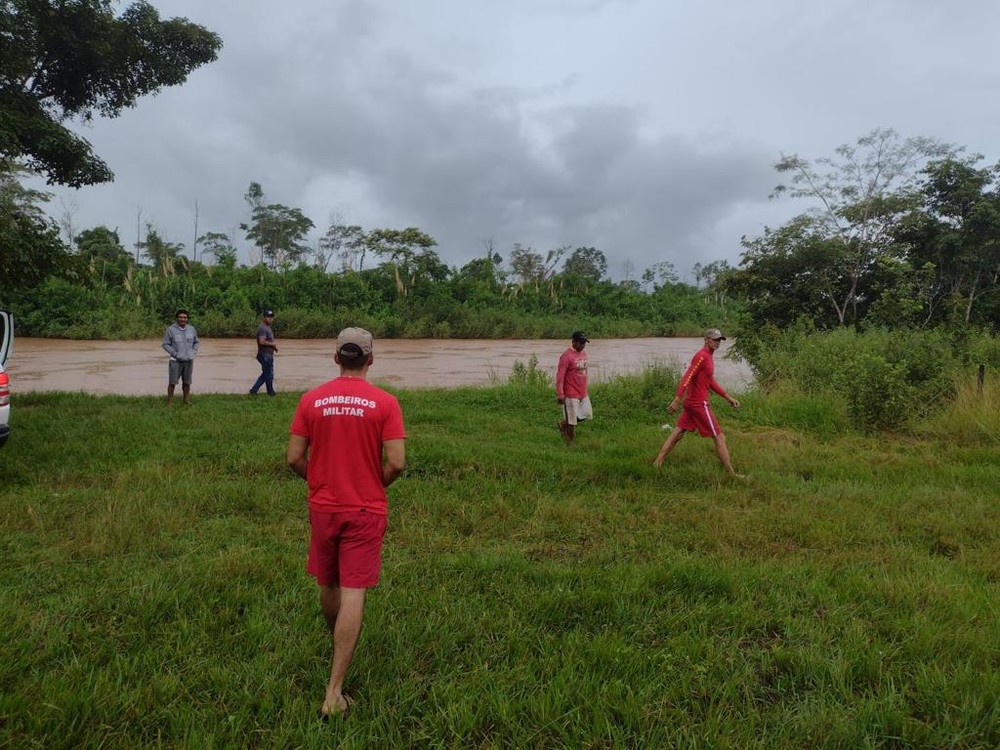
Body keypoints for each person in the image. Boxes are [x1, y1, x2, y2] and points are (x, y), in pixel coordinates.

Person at [286, 327, 406, 719]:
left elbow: (293, 458)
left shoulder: (311, 400)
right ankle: (333, 693)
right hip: (365, 509)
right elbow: (397, 463)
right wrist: (374, 481)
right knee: (354, 592)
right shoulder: (386, 403)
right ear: (370, 360)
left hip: (324, 507)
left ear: (336, 357)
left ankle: (337, 641)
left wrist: (319, 479)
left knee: (329, 584)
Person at [653, 328, 744, 477]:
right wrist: (676, 399)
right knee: (719, 437)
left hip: (691, 403)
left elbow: (710, 381)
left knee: (678, 433)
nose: (717, 343)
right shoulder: (701, 357)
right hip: (698, 404)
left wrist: (728, 397)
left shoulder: (709, 357)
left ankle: (657, 463)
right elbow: (687, 377)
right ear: (706, 339)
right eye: (714, 339)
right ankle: (732, 475)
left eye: (719, 340)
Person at [556, 330, 592, 443]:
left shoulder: (583, 354)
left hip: (583, 392)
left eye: (584, 343)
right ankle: (569, 442)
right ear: (573, 342)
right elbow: (560, 376)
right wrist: (560, 394)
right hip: (570, 393)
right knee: (572, 421)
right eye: (580, 343)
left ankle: (562, 424)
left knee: (586, 414)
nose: (582, 345)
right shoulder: (566, 356)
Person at [161, 308, 199, 405]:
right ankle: (170, 402)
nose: (183, 319)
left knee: (187, 382)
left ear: (187, 319)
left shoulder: (192, 329)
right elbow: (165, 344)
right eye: (180, 317)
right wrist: (175, 354)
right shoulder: (170, 329)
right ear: (177, 318)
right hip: (175, 361)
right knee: (172, 382)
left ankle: (186, 400)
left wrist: (193, 352)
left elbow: (196, 342)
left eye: (185, 317)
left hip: (188, 360)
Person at [249, 309, 278, 396]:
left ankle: (270, 392)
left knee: (268, 373)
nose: (270, 319)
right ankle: (254, 390)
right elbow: (262, 341)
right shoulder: (262, 328)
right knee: (267, 374)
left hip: (268, 354)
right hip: (264, 354)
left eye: (271, 317)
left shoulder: (267, 328)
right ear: (264, 318)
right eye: (268, 317)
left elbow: (267, 340)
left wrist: (274, 347)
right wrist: (272, 344)